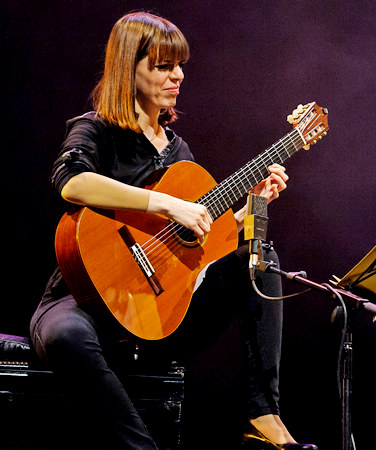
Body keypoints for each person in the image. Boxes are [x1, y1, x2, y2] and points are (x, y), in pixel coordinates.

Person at [30, 12, 316, 450]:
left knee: (260, 257)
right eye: (163, 66)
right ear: (130, 67)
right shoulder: (97, 128)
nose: (177, 76)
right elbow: (70, 182)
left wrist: (247, 210)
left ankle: (265, 414)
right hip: (82, 297)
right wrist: (166, 203)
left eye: (179, 65)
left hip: (156, 310)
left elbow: (198, 246)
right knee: (67, 336)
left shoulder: (179, 150)